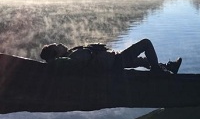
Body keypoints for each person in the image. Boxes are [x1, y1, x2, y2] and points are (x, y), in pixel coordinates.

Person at [40, 39, 182, 74]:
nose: (59, 44)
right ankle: (157, 72)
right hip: (115, 63)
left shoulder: (71, 54)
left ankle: (168, 68)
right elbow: (55, 63)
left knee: (144, 61)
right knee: (146, 43)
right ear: (56, 54)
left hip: (115, 59)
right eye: (56, 46)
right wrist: (51, 60)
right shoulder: (68, 59)